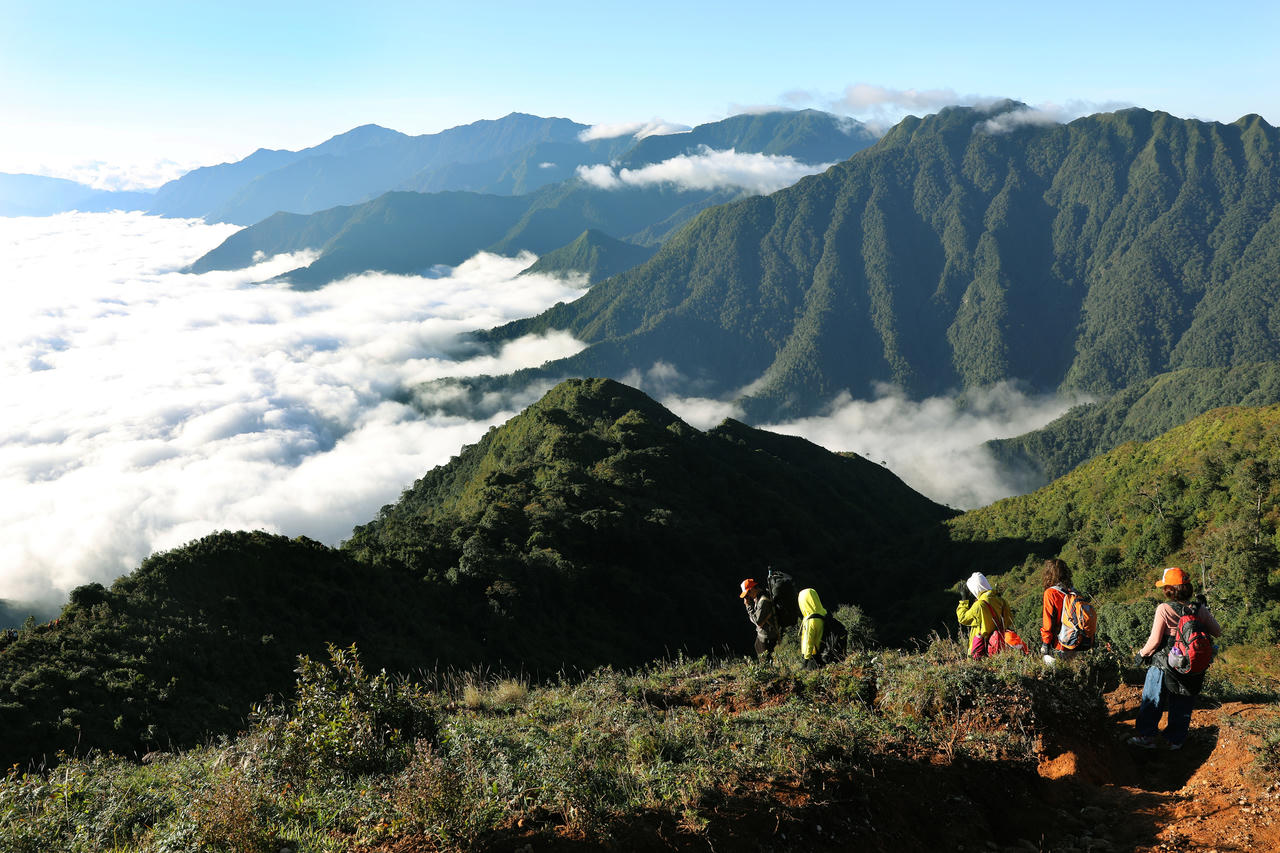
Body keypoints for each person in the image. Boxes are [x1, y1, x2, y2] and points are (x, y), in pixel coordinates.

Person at [1129, 567, 1222, 750]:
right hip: (1189, 664)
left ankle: (1146, 737)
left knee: (1152, 699)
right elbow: (1217, 632)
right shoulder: (1199, 608)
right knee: (1183, 701)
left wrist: (1141, 654)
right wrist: (1201, 614)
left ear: (1169, 589)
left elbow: (1155, 641)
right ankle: (1175, 740)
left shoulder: (1164, 608)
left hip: (1163, 663)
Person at [956, 571, 1014, 658]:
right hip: (999, 645)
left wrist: (964, 599)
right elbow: (1009, 621)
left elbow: (962, 618)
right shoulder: (1001, 601)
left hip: (982, 647)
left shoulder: (979, 605)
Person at [798, 588, 846, 669]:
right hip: (825, 654)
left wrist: (805, 663)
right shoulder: (824, 612)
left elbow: (809, 642)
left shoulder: (810, 620)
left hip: (814, 658)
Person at [740, 578, 780, 660]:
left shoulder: (763, 601)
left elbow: (757, 621)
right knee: (758, 649)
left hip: (767, 636)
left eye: (748, 593)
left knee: (765, 661)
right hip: (762, 635)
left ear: (752, 589)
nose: (748, 596)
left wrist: (748, 606)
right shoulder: (758, 598)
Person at [1040, 557, 1072, 657]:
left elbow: (1048, 622)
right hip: (1076, 642)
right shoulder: (1073, 592)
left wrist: (1046, 643)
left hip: (1060, 644)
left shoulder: (1051, 593)